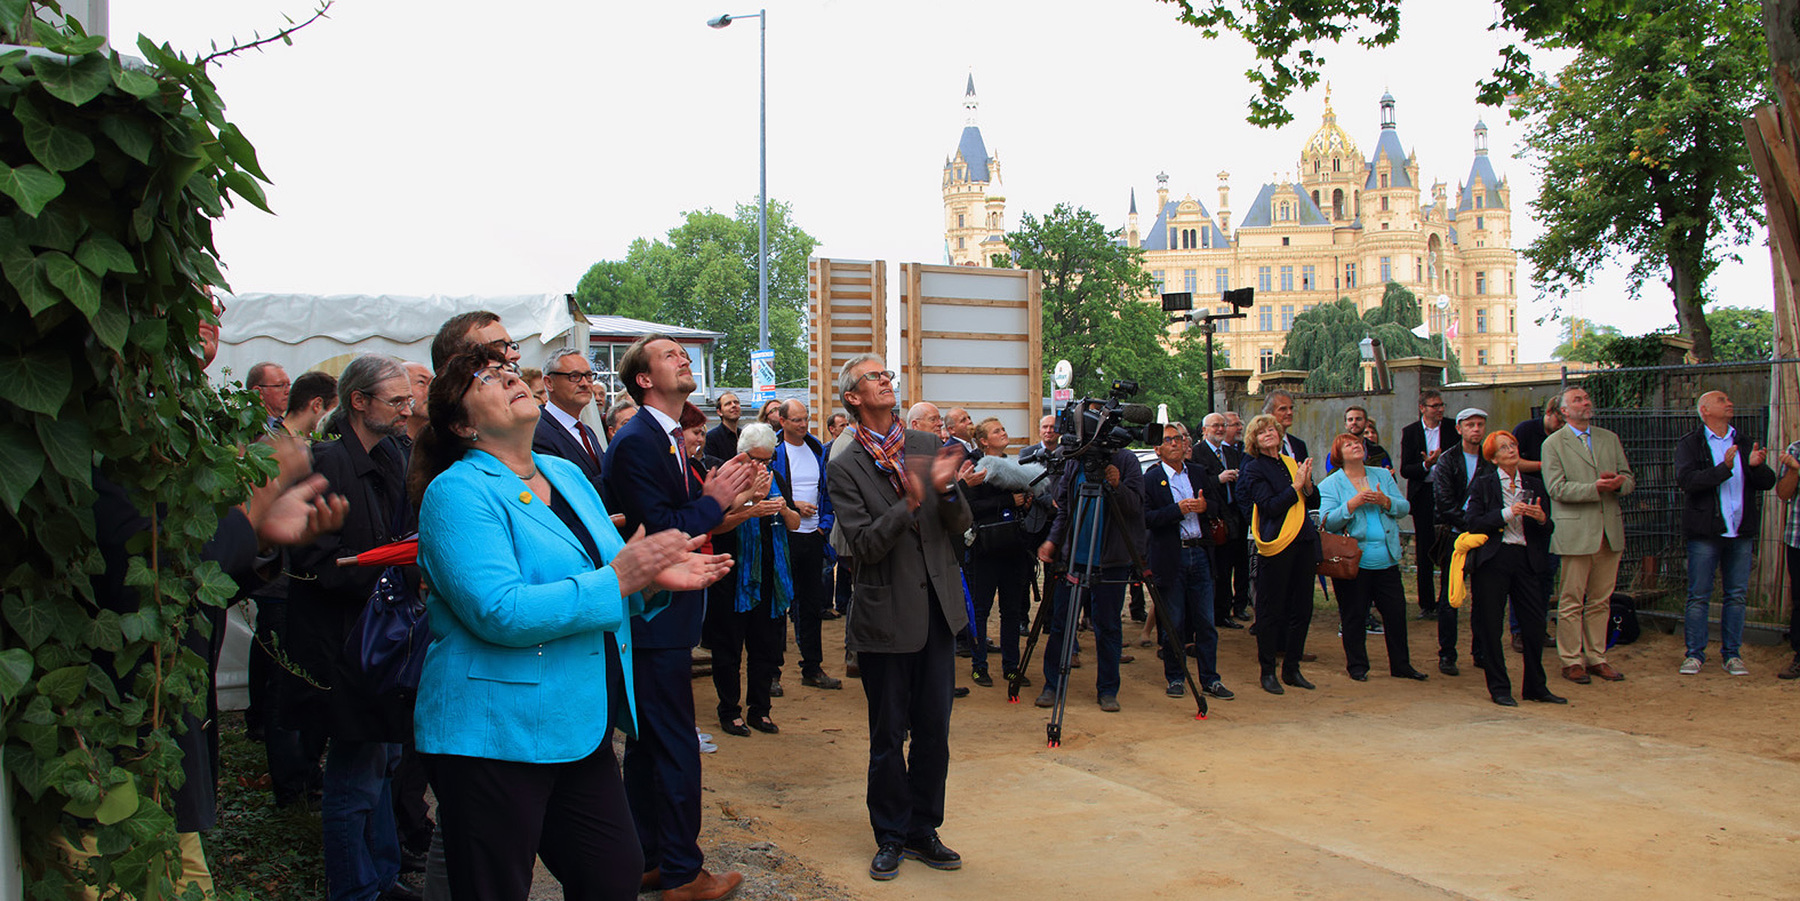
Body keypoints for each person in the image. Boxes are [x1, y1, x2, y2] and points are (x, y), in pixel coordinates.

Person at [409, 348, 731, 901]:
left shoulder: (564, 472)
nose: (511, 376)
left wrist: (653, 580)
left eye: (511, 371)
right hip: (493, 734)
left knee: (613, 875)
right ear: (463, 424)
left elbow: (611, 577)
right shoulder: (457, 493)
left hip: (576, 725)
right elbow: (500, 611)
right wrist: (621, 580)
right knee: (493, 888)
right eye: (487, 378)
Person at [601, 335, 753, 901]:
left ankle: (651, 858)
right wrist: (714, 502)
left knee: (649, 746)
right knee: (672, 745)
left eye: (684, 354)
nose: (683, 358)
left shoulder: (662, 440)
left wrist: (725, 499)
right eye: (669, 355)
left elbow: (688, 513)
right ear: (643, 379)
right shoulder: (639, 441)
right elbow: (664, 530)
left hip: (665, 619)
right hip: (652, 620)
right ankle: (684, 873)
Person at [826, 355, 972, 882]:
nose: (887, 381)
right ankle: (889, 834)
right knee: (888, 734)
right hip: (885, 616)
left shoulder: (927, 446)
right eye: (874, 377)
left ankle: (923, 829)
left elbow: (957, 524)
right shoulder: (843, 464)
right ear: (853, 398)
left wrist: (950, 489)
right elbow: (862, 546)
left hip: (937, 608)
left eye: (888, 374)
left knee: (935, 729)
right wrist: (908, 503)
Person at [287, 354, 421, 901]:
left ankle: (381, 874)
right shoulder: (326, 462)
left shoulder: (391, 456)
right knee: (353, 777)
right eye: (397, 402)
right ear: (358, 402)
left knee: (384, 763)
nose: (406, 411)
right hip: (342, 645)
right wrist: (372, 565)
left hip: (380, 639)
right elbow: (313, 561)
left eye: (408, 400)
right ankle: (353, 888)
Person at [1034, 406, 1146, 713]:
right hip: (1074, 558)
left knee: (1108, 626)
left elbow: (1136, 508)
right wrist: (1053, 541)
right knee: (1061, 624)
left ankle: (1108, 690)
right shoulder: (1075, 462)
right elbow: (1065, 509)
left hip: (1110, 560)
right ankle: (1051, 685)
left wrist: (1117, 486)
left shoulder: (1126, 460)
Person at [1674, 390, 1776, 676]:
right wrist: (1725, 468)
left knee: (1737, 595)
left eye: (1730, 399)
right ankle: (1694, 654)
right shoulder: (1690, 444)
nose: (1730, 403)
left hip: (1740, 530)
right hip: (1705, 532)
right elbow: (1688, 481)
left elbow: (1766, 483)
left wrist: (1756, 466)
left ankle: (1732, 655)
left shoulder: (1743, 441)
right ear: (1704, 410)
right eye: (1722, 400)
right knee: (1699, 595)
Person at [705, 423, 795, 737]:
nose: (760, 466)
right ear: (740, 454)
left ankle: (761, 710)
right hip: (732, 576)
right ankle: (729, 711)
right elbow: (715, 524)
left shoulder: (777, 479)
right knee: (728, 649)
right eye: (754, 459)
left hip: (769, 578)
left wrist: (782, 510)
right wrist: (751, 506)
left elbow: (794, 520)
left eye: (767, 460)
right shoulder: (723, 480)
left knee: (765, 649)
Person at [1543, 384, 1634, 685]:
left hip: (1609, 531)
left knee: (1601, 599)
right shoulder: (1554, 444)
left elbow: (1630, 479)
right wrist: (1594, 488)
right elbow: (1556, 488)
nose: (1586, 403)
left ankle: (1597, 656)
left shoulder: (1610, 438)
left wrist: (1619, 482)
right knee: (1571, 599)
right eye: (1577, 400)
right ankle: (1571, 659)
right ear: (1564, 411)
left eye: (1586, 398)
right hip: (1576, 531)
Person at [1464, 430, 1562, 706]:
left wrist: (1542, 519)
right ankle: (1499, 687)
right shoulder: (1484, 485)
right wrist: (1508, 513)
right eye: (1504, 447)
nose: (1511, 450)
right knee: (1491, 625)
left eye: (1513, 445)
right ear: (1493, 458)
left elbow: (1548, 527)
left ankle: (1536, 686)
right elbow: (1473, 521)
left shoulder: (1534, 484)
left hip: (1526, 559)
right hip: (1494, 559)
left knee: (1533, 624)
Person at [1318, 433, 1426, 683]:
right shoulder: (1330, 484)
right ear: (1338, 454)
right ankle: (1357, 666)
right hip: (1353, 563)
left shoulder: (1381, 475)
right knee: (1354, 616)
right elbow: (1326, 521)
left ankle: (1402, 665)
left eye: (1358, 443)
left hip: (1386, 559)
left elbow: (1404, 507)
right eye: (1349, 444)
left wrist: (1386, 501)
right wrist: (1352, 504)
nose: (1356, 446)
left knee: (1396, 614)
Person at [1144, 422, 1234, 700]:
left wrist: (1206, 508)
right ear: (1158, 449)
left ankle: (1210, 678)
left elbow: (1219, 506)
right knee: (1174, 621)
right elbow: (1146, 518)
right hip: (1172, 555)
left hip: (1200, 552)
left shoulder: (1198, 473)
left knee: (1206, 621)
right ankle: (1175, 677)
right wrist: (1176, 510)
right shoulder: (1151, 478)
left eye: (1179, 439)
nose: (1176, 444)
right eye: (1169, 440)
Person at [1241, 412, 1319, 694]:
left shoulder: (1290, 462)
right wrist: (1296, 486)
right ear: (1255, 441)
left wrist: (1307, 484)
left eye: (1272, 429)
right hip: (1277, 543)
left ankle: (1292, 668)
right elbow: (1269, 506)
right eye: (1262, 432)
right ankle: (1268, 671)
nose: (1269, 434)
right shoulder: (1254, 468)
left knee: (1302, 608)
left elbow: (1313, 500)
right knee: (1271, 610)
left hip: (1304, 540)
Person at [772, 398, 842, 689]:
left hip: (813, 538)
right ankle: (771, 674)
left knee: (812, 606)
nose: (803, 424)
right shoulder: (774, 450)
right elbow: (766, 490)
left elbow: (826, 492)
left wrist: (824, 527)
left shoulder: (817, 449)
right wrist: (791, 505)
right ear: (782, 421)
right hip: (783, 537)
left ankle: (812, 668)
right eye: (797, 420)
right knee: (778, 605)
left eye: (806, 419)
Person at [963, 417, 1039, 687]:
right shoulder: (975, 468)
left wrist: (1024, 504)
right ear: (984, 441)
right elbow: (971, 507)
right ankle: (978, 666)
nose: (1003, 433)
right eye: (997, 431)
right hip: (986, 548)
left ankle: (1011, 667)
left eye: (1004, 429)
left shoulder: (1016, 466)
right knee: (981, 610)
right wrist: (1009, 500)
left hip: (1014, 548)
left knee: (1011, 611)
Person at [1430, 408, 1491, 676]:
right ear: (1459, 428)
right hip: (1456, 534)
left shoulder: (1491, 461)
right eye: (1470, 425)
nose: (1476, 429)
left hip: (1484, 536)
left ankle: (1481, 651)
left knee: (1484, 595)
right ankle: (1447, 653)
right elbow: (1443, 502)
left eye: (1480, 424)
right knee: (1450, 595)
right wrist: (1472, 524)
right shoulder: (1447, 460)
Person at [1401, 389, 1457, 618]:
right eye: (1435, 405)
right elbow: (1406, 469)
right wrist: (1427, 465)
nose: (1440, 409)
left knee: (1449, 548)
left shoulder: (1454, 429)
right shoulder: (1412, 432)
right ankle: (1427, 604)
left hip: (1448, 495)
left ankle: (1448, 599)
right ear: (1422, 408)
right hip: (1423, 494)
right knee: (1425, 550)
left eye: (1442, 405)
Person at [1191, 412, 1249, 626]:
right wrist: (1218, 479)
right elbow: (1196, 483)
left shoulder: (1232, 453)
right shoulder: (1197, 453)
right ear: (1204, 430)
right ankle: (1220, 612)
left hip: (1236, 517)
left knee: (1240, 565)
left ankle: (1238, 606)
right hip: (1214, 518)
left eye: (1223, 425)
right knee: (1221, 569)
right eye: (1215, 426)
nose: (1220, 429)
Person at [532, 347, 606, 497]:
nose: (585, 383)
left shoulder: (587, 431)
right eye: (574, 376)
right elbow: (567, 491)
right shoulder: (538, 432)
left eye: (589, 375)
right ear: (549, 383)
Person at [1776, 443, 1800, 679]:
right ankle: (1799, 657)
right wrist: (1793, 470)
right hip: (1798, 538)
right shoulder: (1795, 449)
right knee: (1799, 601)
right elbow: (1783, 494)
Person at [248, 361, 291, 431]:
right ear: (258, 392)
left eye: (288, 385)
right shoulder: (248, 428)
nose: (288, 391)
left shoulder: (287, 427)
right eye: (280, 385)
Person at [704, 392, 743, 462]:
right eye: (728, 404)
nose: (734, 405)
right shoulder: (711, 438)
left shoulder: (745, 435)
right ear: (719, 412)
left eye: (736, 402)